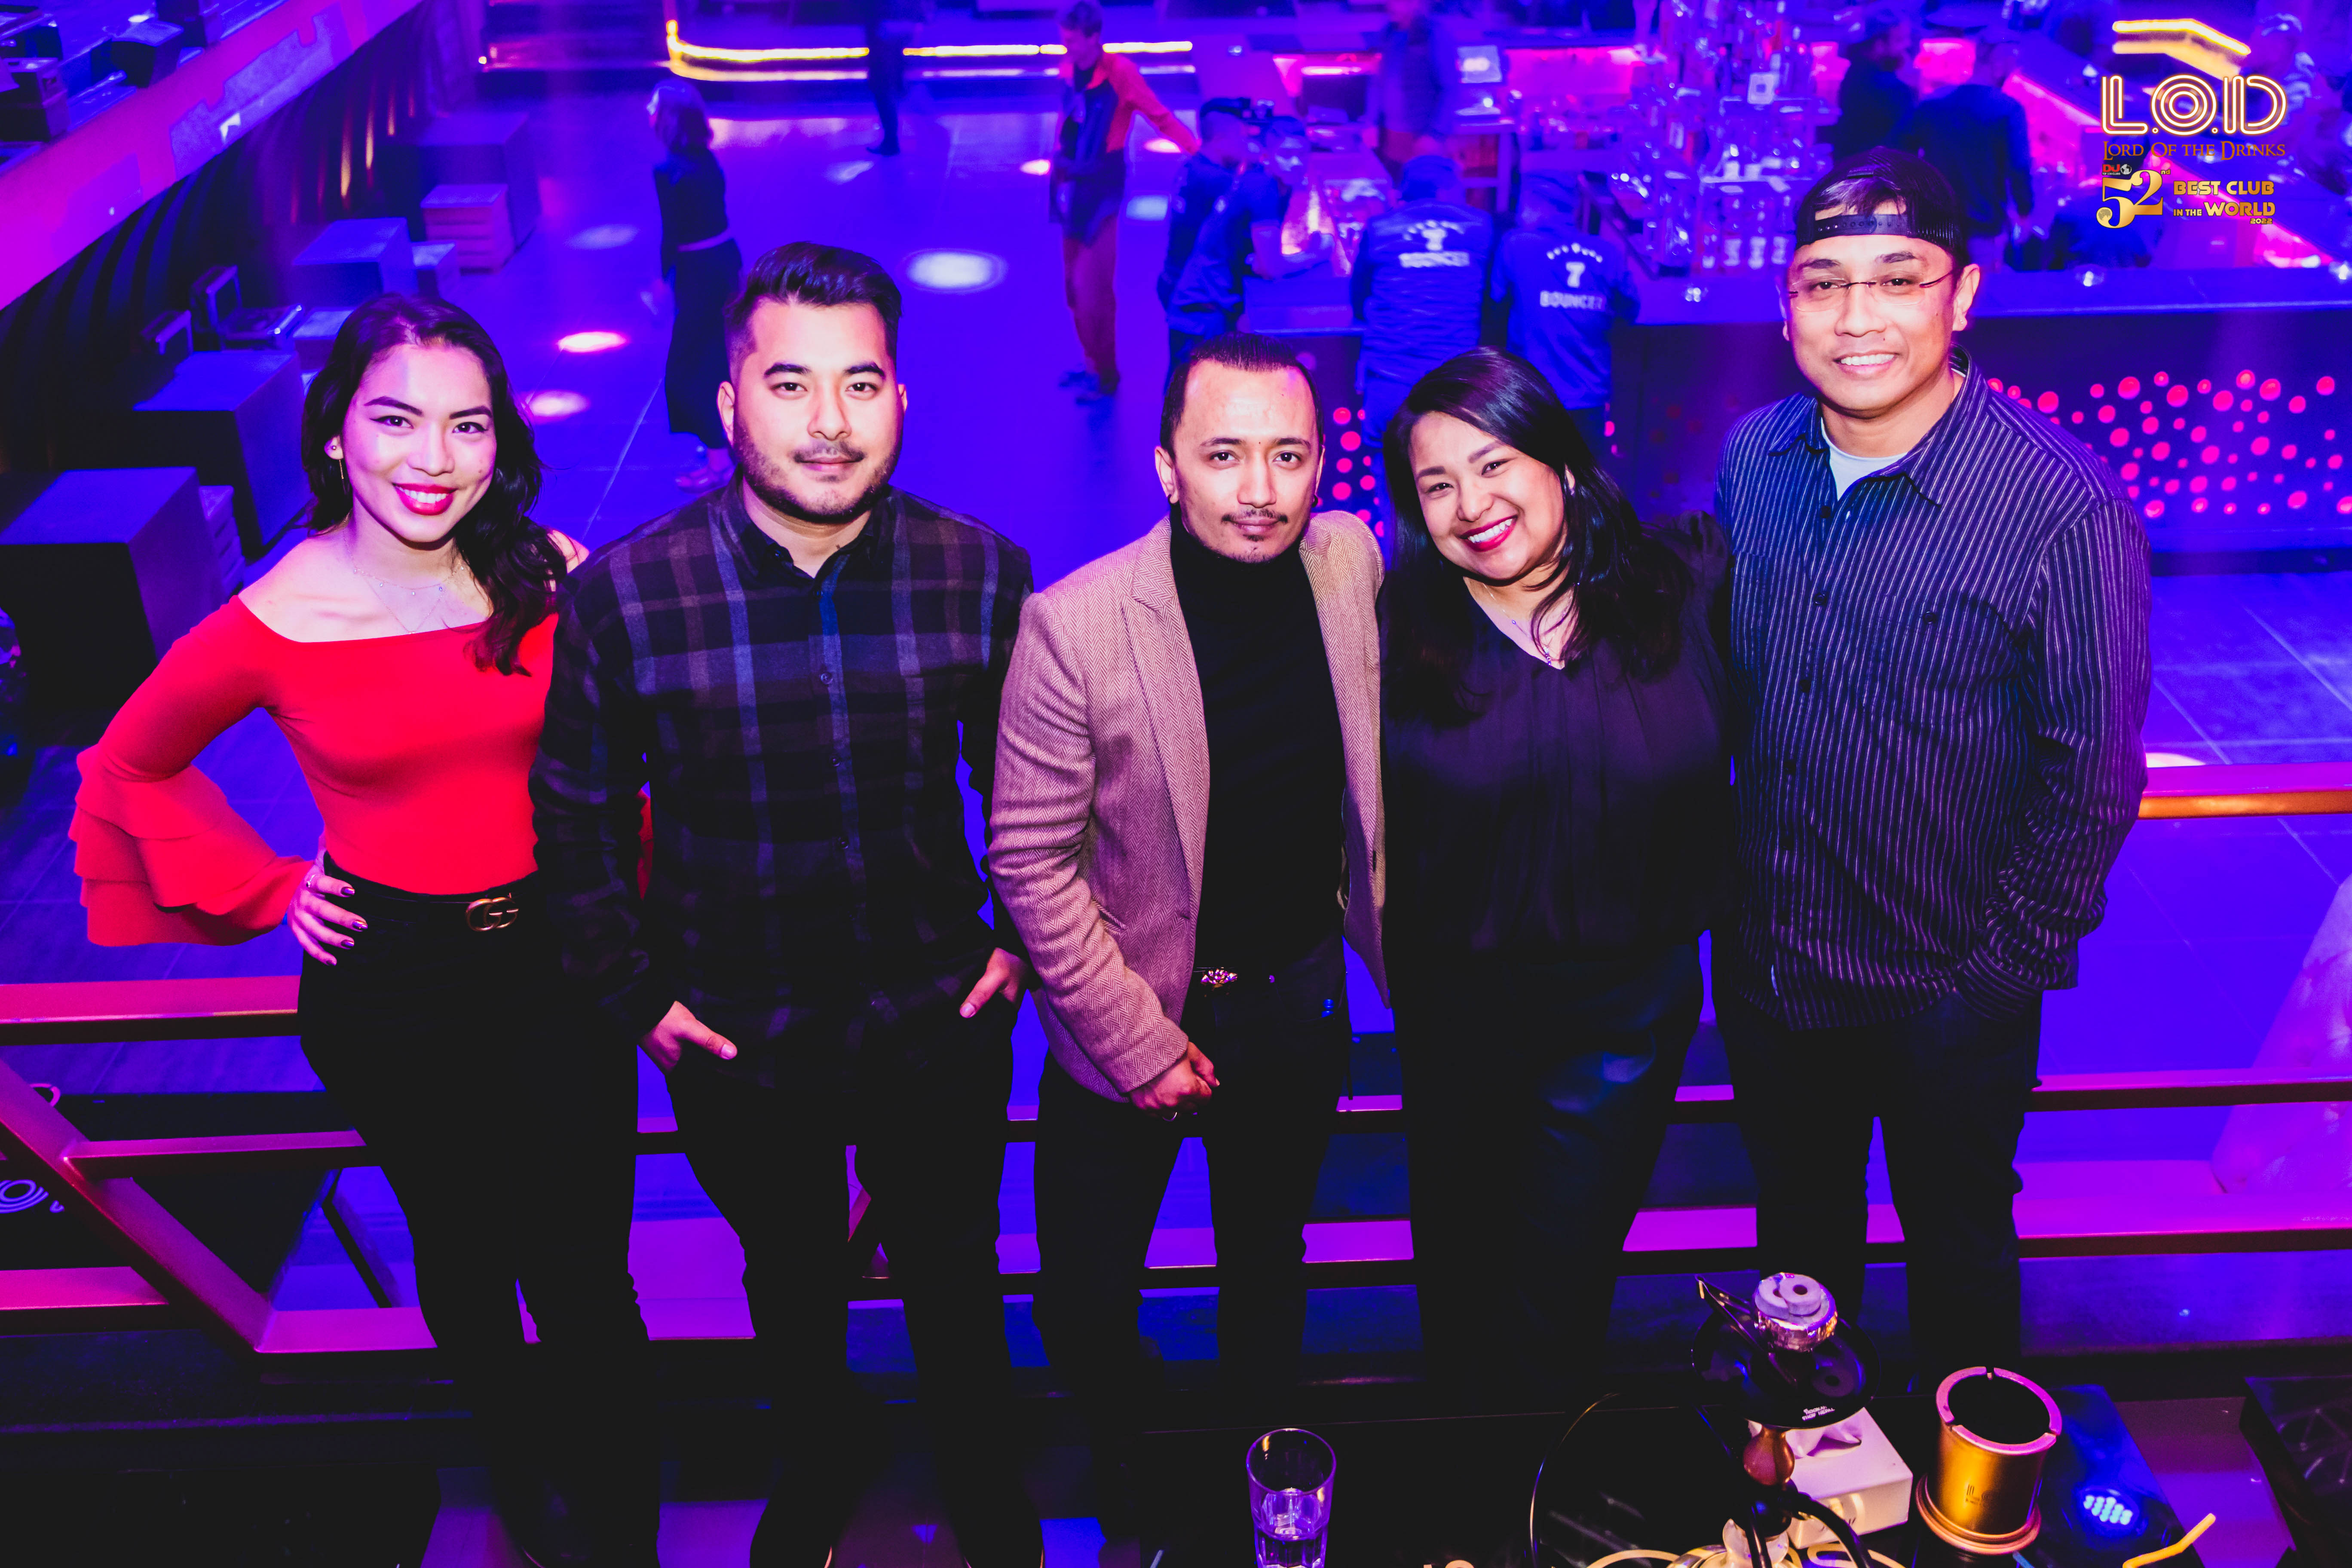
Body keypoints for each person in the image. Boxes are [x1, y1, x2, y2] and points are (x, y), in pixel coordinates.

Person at [70, 295, 657, 1568]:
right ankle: (519, 1469)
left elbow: (626, 754)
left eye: (467, 425)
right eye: (396, 420)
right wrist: (268, 885)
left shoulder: (547, 571)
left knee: (585, 1270)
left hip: (557, 967)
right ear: (335, 431)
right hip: (394, 987)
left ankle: (623, 1525)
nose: (433, 458)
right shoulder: (277, 613)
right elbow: (128, 761)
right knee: (463, 1251)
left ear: (500, 441)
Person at [530, 242, 1041, 1568]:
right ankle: (820, 1458)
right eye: (790, 383)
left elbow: (1039, 786)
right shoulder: (625, 596)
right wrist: (635, 993)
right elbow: (576, 817)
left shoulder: (981, 573)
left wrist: (1018, 940)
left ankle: (986, 1481)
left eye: (860, 383)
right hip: (738, 1031)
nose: (829, 421)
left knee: (956, 1269)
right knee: (791, 1278)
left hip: (938, 1012)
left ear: (901, 400)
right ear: (728, 402)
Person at [1715, 150, 2150, 1380]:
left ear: (1961, 295)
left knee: (1957, 1257)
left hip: (1943, 992)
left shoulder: (2059, 506)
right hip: (1771, 971)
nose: (1856, 318)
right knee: (1796, 1258)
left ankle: (1962, 1483)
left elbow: (2093, 779)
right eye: (1823, 284)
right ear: (1786, 307)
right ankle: (1805, 1469)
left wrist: (1995, 979)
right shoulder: (1753, 459)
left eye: (1896, 279)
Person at [989, 333, 1385, 1531]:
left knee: (1267, 1269)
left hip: (1296, 1005)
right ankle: (1134, 1467)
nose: (1258, 489)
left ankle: (1259, 1484)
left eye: (1287, 456)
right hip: (1133, 1009)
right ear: (1167, 466)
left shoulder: (1349, 563)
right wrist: (1139, 1043)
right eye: (1223, 456)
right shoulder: (1075, 624)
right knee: (1082, 1296)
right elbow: (1029, 860)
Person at [1380, 347, 1727, 1408]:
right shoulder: (1389, 629)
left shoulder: (1684, 583)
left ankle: (1544, 1482)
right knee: (1461, 1282)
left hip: (1626, 1022)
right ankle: (1471, 1486)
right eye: (1437, 484)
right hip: (1457, 1019)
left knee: (1562, 1294)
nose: (1470, 505)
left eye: (1494, 465)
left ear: (1563, 464)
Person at [1052, 0, 1199, 403]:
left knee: (1094, 289)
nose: (1067, 48)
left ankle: (1107, 373)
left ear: (1094, 38)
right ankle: (1091, 363)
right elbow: (1067, 123)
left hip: (1103, 189)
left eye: (1073, 41)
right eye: (1064, 41)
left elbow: (1159, 116)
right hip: (1071, 187)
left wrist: (1198, 152)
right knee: (1072, 287)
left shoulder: (1121, 73)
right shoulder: (1069, 69)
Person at [1353, 155, 1494, 524]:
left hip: (1389, 383)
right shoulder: (1480, 226)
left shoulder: (1380, 228)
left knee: (1392, 494)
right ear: (1448, 190)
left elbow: (1357, 300)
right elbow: (1494, 301)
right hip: (1456, 388)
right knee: (1454, 491)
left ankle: (1393, 556)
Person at [1158, 103, 1317, 388]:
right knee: (1192, 403)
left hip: (1203, 307)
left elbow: (1256, 258)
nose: (1295, 163)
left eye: (1302, 155)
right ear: (1267, 156)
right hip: (1201, 314)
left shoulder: (1264, 183)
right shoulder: (1264, 190)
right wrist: (1316, 255)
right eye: (1286, 155)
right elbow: (1271, 268)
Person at [1491, 174, 1638, 464]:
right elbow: (1630, 310)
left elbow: (1496, 304)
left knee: (1533, 481)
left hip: (1532, 397)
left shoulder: (1516, 244)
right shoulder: (1608, 253)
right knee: (1586, 482)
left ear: (1534, 206)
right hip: (1590, 398)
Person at [651, 80, 742, 493]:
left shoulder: (668, 170)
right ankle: (726, 445)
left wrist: (662, 279)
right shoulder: (707, 159)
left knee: (689, 367)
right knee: (718, 354)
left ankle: (719, 462)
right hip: (725, 261)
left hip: (697, 270)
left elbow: (672, 233)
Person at [1897, 36, 2035, 272]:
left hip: (1933, 225)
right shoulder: (2008, 110)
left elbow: (1899, 151)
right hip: (1982, 229)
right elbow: (2019, 168)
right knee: (1978, 291)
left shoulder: (1934, 103)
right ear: (1998, 64)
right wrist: (2025, 212)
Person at [1372, 0, 1458, 175]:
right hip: (1392, 136)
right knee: (1396, 187)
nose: (1390, 5)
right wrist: (1371, 122)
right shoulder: (1389, 34)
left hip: (1423, 138)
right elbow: (1378, 83)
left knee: (1423, 187)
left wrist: (1436, 134)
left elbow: (1451, 89)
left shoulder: (1434, 36)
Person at [1830, 10, 1917, 162]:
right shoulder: (1891, 88)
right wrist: (1911, 86)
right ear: (1879, 45)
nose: (1907, 45)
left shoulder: (1855, 72)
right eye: (1900, 40)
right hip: (1880, 171)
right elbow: (1909, 139)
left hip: (1851, 168)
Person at [862, 0, 924, 157]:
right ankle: (891, 140)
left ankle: (891, 141)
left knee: (883, 91)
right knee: (886, 91)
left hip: (884, 41)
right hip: (888, 40)